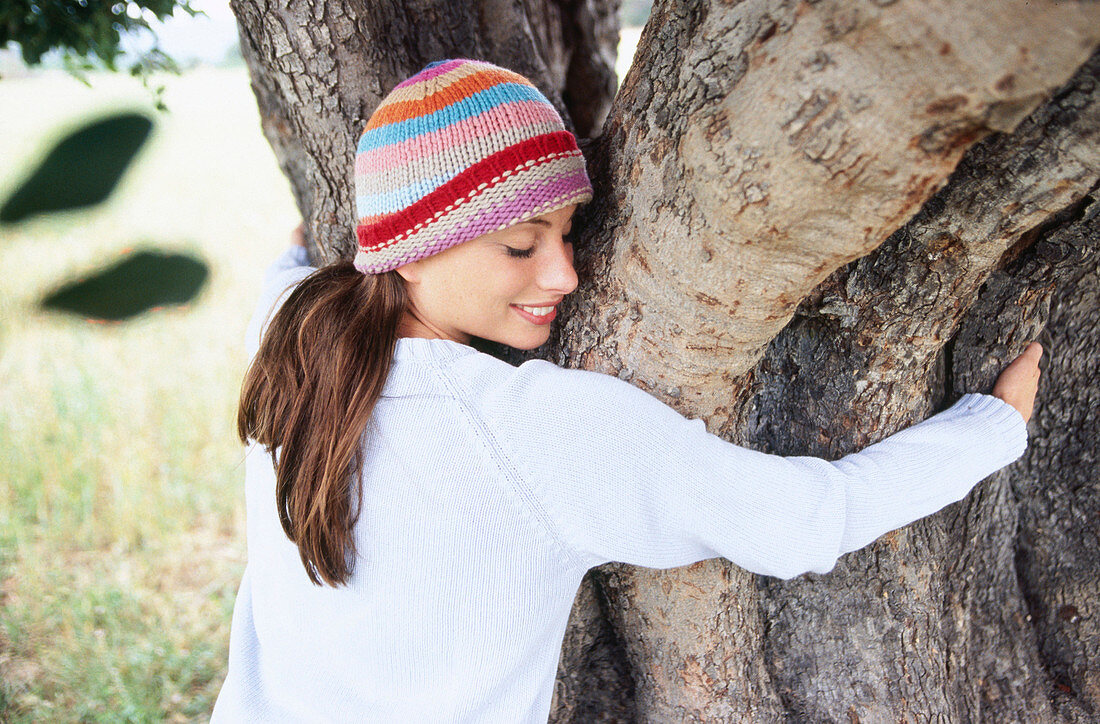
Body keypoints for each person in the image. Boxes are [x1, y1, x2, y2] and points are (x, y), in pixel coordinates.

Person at [212, 59, 1042, 721]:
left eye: (569, 233)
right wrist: (992, 424)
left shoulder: (292, 335)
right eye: (518, 245)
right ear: (412, 247)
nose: (564, 273)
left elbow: (293, 261)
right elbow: (803, 522)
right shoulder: (534, 430)